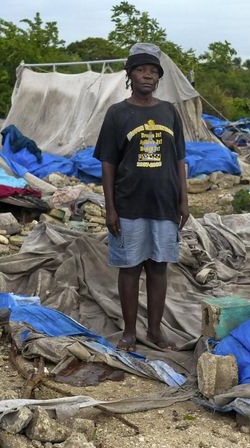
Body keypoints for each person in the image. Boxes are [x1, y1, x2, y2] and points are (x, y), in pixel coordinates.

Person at [94, 43, 189, 352]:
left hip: (164, 204)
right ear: (130, 75)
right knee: (131, 267)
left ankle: (156, 332)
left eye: (153, 72)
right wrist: (111, 209)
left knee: (159, 267)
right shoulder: (117, 113)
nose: (148, 76)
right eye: (141, 70)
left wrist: (183, 200)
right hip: (129, 204)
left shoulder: (169, 111)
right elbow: (107, 162)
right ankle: (130, 333)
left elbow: (179, 160)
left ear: (159, 78)